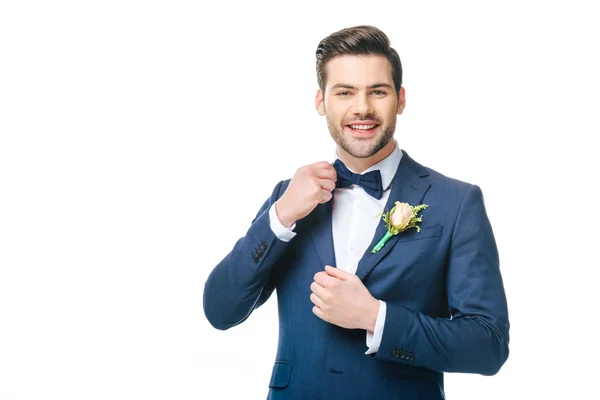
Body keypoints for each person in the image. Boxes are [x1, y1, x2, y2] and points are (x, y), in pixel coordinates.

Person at [203, 25, 509, 399]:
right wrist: (280, 217)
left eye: (377, 91)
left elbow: (488, 344)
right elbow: (220, 310)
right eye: (344, 92)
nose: (361, 107)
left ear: (400, 99)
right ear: (321, 102)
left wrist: (377, 319)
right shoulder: (289, 197)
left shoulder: (457, 202)